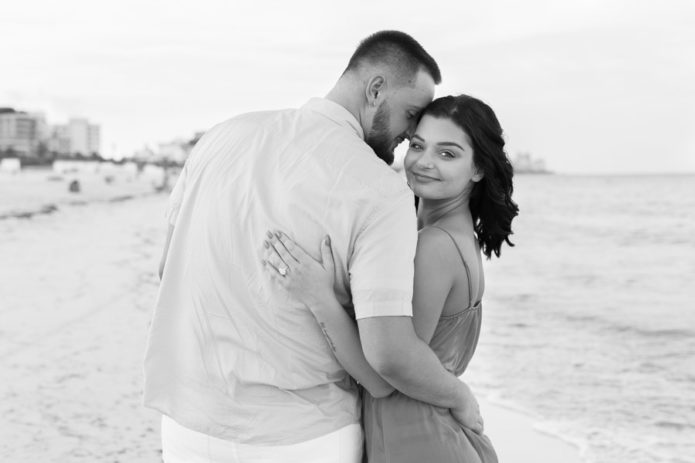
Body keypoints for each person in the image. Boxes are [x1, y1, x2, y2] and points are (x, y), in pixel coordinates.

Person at [143, 31, 483, 463]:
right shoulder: (380, 190)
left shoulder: (221, 136)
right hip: (301, 436)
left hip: (188, 424)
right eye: (411, 114)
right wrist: (458, 395)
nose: (410, 133)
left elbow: (167, 268)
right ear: (376, 89)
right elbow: (387, 361)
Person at [262, 94, 519, 462]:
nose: (424, 162)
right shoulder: (455, 236)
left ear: (478, 168)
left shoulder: (434, 245)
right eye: (417, 145)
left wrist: (318, 296)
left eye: (447, 154)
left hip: (419, 444)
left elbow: (383, 372)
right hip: (428, 435)